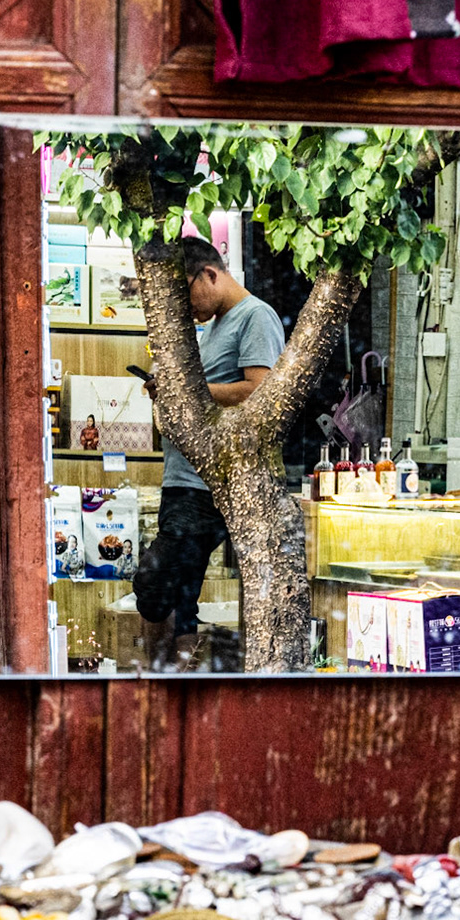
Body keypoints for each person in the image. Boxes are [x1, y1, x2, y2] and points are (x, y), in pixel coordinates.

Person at [134, 237, 284, 655]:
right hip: (181, 478)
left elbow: (260, 390)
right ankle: (175, 689)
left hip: (207, 485)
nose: (187, 306)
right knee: (180, 596)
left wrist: (188, 390)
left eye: (186, 292)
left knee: (154, 583)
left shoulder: (256, 317)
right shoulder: (215, 325)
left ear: (210, 274)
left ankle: (188, 669)